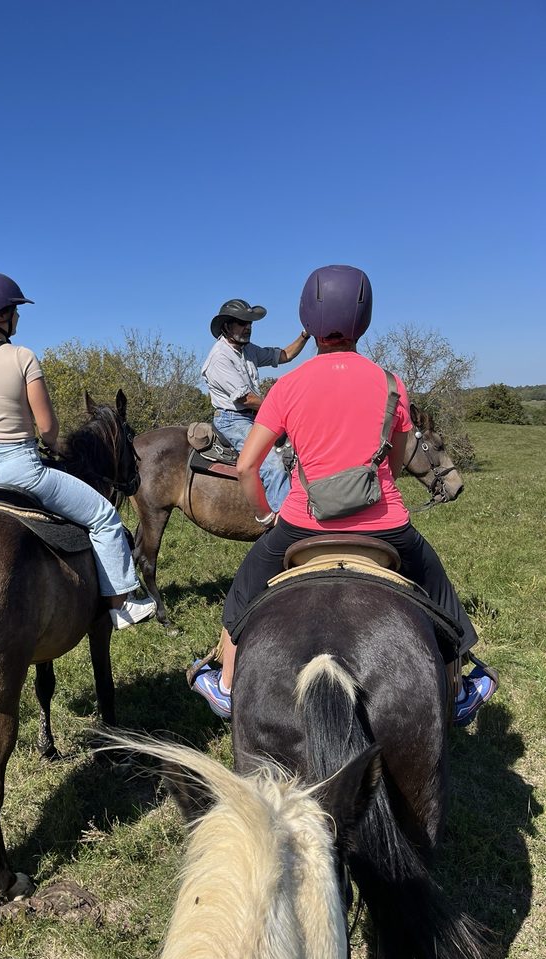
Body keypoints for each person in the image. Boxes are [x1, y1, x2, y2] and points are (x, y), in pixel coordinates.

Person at [191, 265, 498, 724]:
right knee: (437, 587)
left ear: (308, 322)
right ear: (365, 319)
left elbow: (247, 466)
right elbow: (396, 458)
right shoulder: (393, 384)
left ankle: (228, 686)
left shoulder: (287, 386)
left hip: (300, 525)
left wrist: (264, 516)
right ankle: (458, 687)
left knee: (243, 590)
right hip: (386, 526)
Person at [0, 271, 156, 630]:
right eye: (14, 309)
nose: (18, 316)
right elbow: (47, 428)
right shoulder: (22, 356)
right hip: (20, 469)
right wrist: (52, 445)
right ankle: (122, 604)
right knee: (104, 516)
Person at [201, 299, 310, 512]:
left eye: (250, 323)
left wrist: (306, 335)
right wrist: (283, 408)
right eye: (242, 322)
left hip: (253, 416)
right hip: (233, 420)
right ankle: (285, 522)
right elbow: (246, 399)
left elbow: (284, 355)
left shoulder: (247, 350)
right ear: (226, 326)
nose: (248, 327)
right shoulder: (219, 358)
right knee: (273, 466)